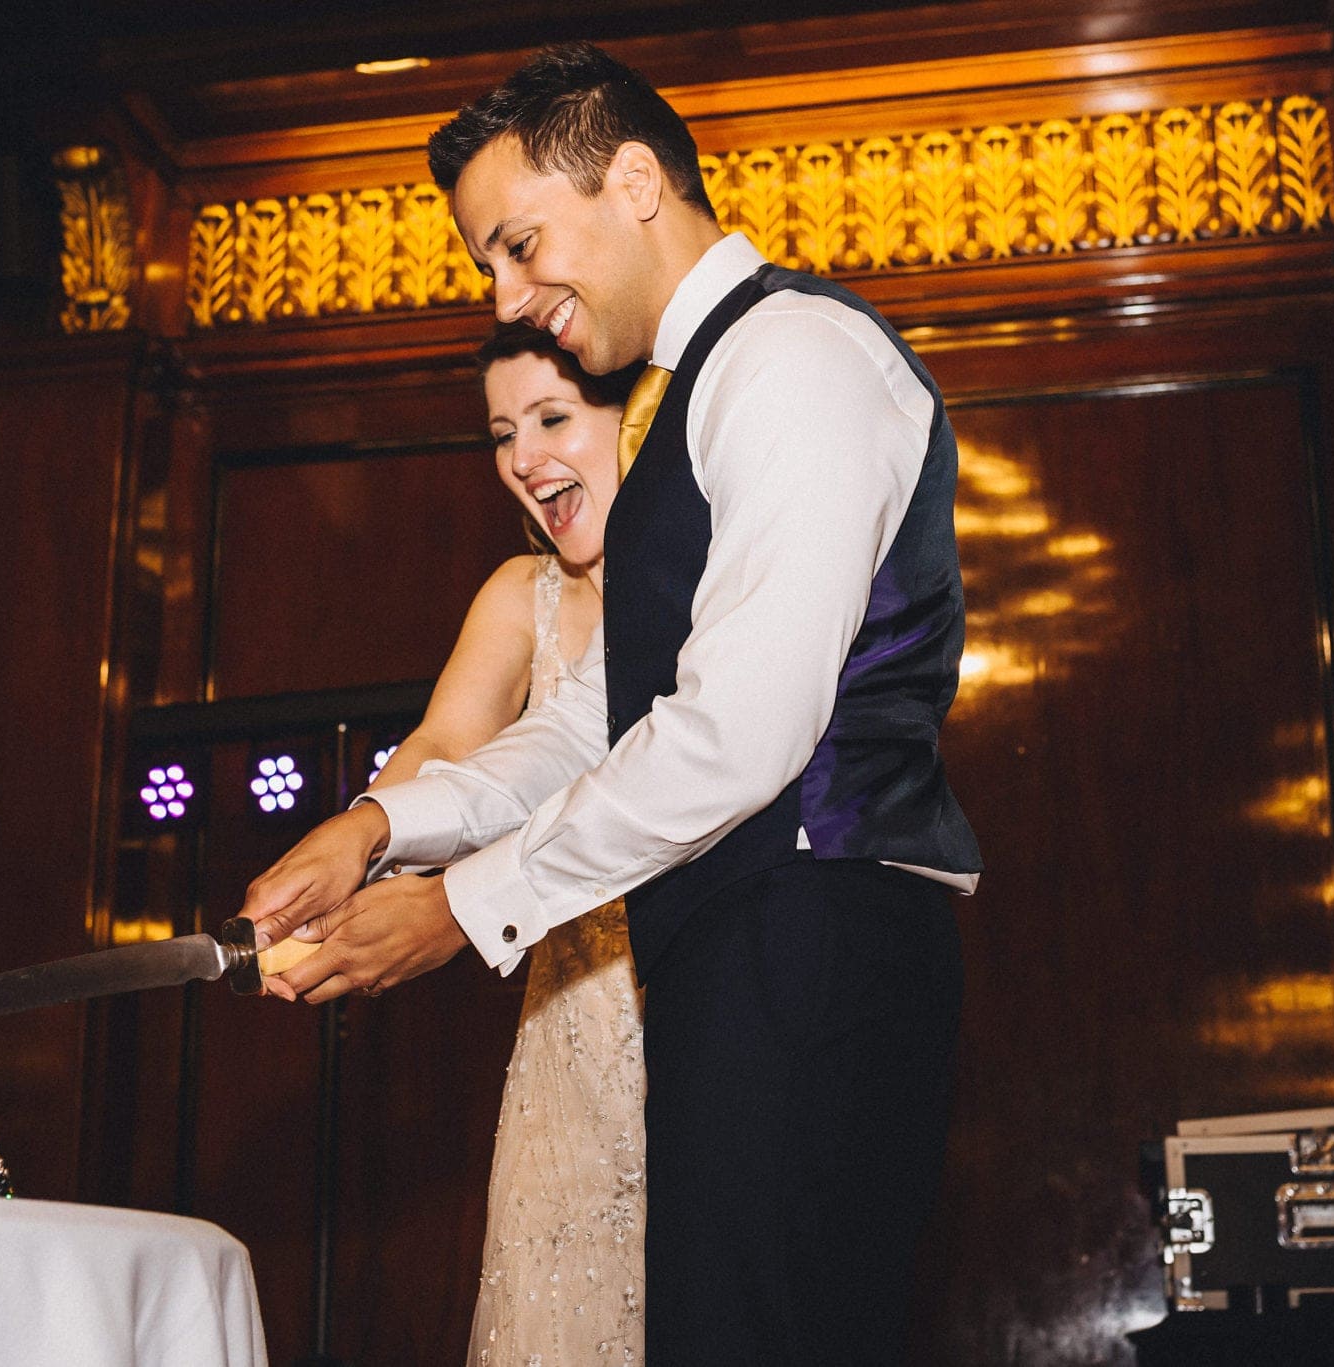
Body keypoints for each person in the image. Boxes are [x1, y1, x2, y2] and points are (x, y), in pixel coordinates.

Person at [244, 42, 981, 1365]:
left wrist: (462, 908)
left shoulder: (794, 358)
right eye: (490, 264)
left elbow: (742, 731)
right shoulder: (681, 406)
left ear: (635, 182)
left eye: (520, 244)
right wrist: (379, 829)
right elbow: (603, 720)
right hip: (735, 939)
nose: (512, 295)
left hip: (813, 927)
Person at [367, 322, 643, 1365]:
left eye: (552, 417)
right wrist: (354, 852)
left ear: (634, 421)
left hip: (692, 980)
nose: (523, 456)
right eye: (500, 432)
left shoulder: (707, 576)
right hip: (567, 1010)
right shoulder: (515, 593)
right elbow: (445, 741)